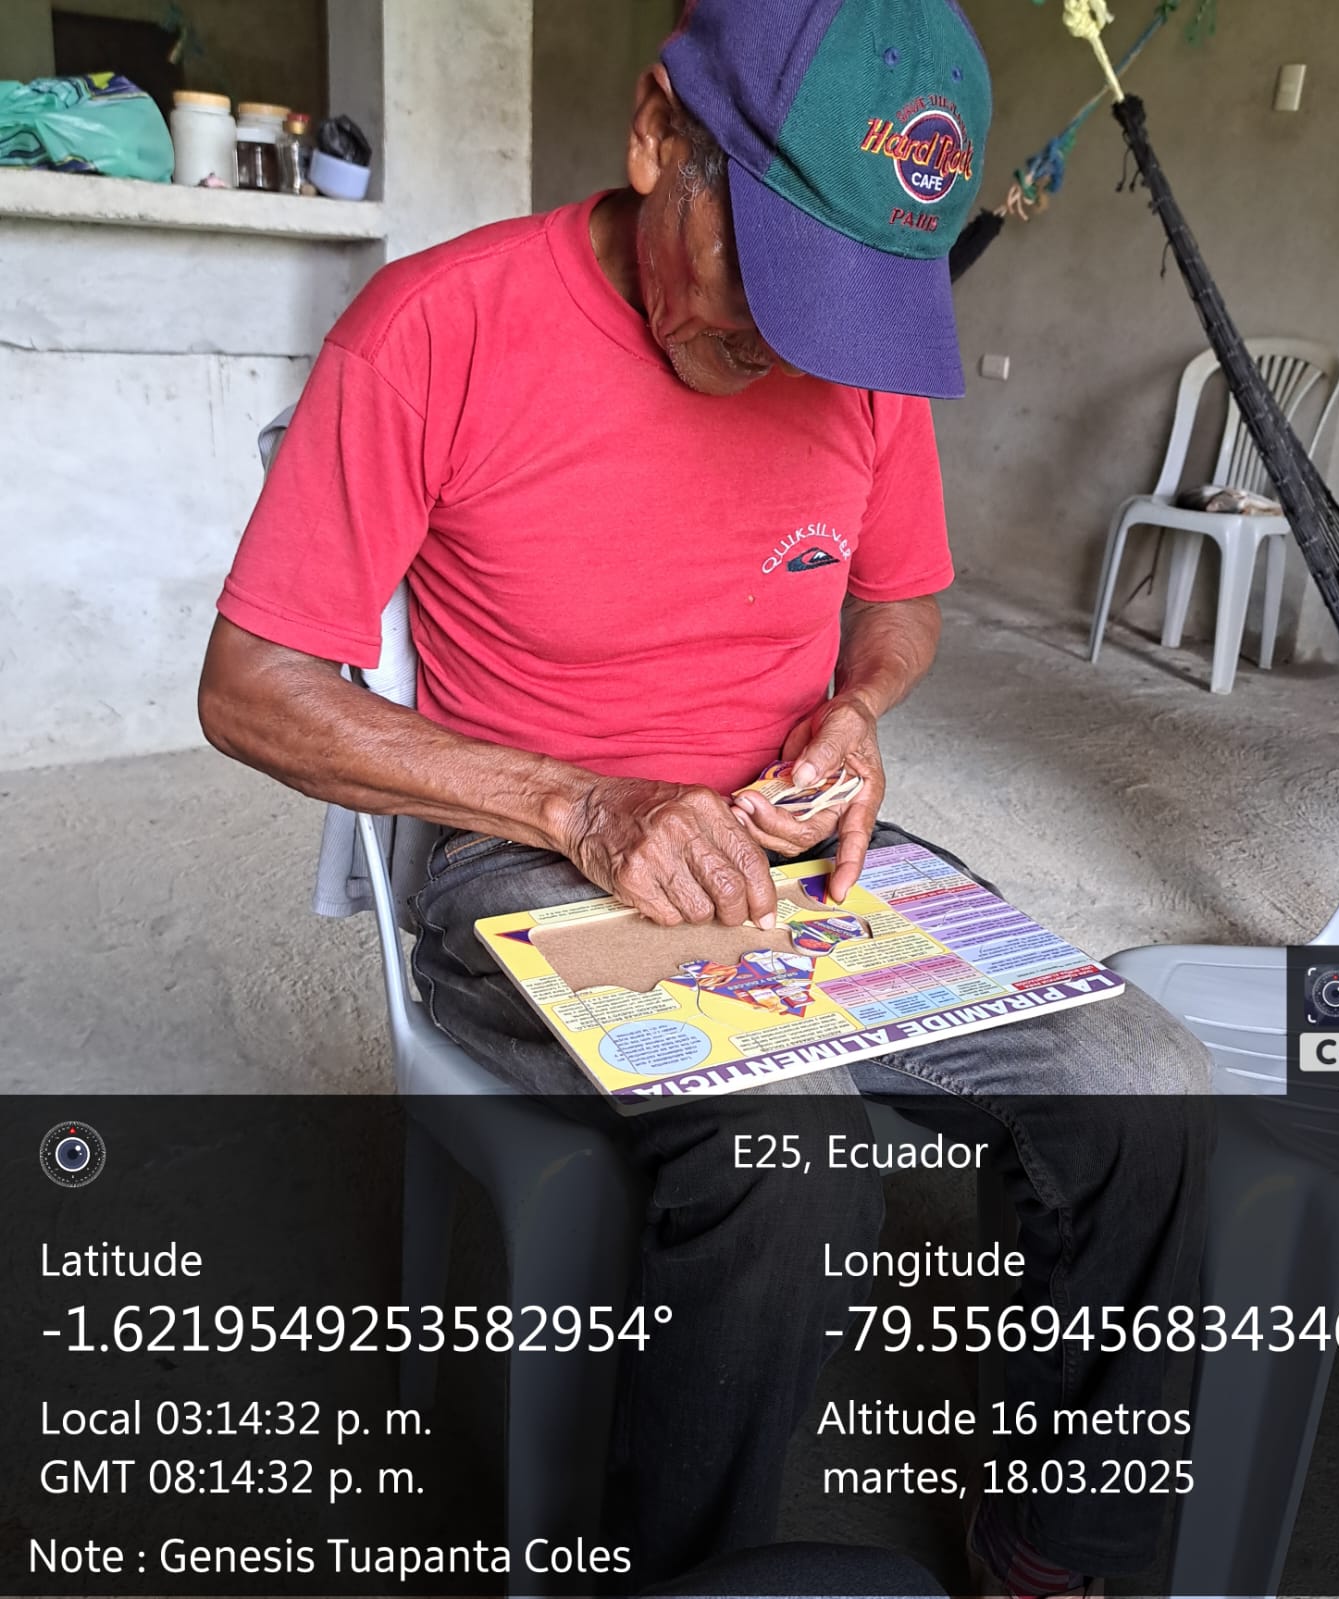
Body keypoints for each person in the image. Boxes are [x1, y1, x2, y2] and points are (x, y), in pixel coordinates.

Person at [197, 2, 1210, 1592]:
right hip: (527, 846)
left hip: (785, 836)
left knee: (1148, 1082)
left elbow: (899, 600)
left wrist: (857, 708)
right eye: (770, 276)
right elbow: (250, 684)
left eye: (840, 301)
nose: (790, 349)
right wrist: (582, 805)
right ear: (657, 133)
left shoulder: (855, 359)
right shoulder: (434, 328)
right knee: (794, 1151)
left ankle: (1054, 1538)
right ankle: (687, 1567)